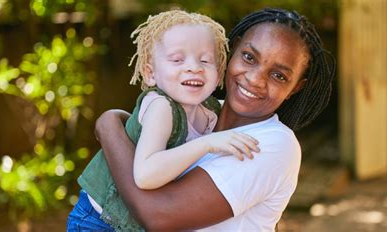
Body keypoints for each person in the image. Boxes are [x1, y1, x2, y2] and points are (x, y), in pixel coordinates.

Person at [96, 8, 336, 231]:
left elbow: (159, 215)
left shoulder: (273, 144)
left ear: (295, 88)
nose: (255, 79)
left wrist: (108, 126)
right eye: (249, 57)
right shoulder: (199, 114)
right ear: (232, 51)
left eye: (278, 75)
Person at [67, 10, 260, 231]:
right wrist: (208, 143)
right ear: (150, 74)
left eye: (205, 60)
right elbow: (145, 175)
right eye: (177, 59)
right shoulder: (162, 107)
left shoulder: (210, 109)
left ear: (218, 75)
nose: (193, 67)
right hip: (100, 221)